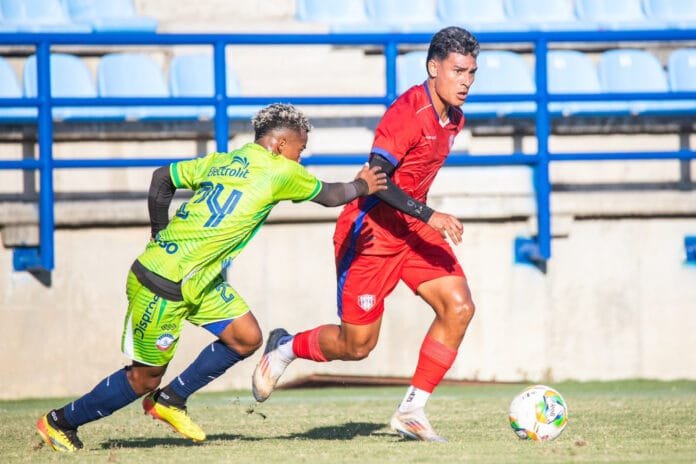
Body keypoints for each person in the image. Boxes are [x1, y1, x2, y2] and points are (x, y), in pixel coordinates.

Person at [35, 103, 387, 452]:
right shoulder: (280, 169)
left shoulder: (223, 160)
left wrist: (159, 233)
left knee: (246, 337)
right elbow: (331, 196)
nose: (300, 157)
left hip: (196, 279)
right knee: (144, 378)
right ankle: (60, 422)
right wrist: (363, 184)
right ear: (281, 144)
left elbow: (162, 177)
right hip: (162, 285)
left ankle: (171, 400)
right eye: (301, 148)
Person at [252, 27, 479, 443]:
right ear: (433, 68)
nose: (466, 81)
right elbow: (376, 179)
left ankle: (411, 411)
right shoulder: (407, 114)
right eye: (457, 71)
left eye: (471, 73)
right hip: (370, 234)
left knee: (459, 307)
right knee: (356, 346)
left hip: (412, 229)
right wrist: (430, 214)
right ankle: (285, 346)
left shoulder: (455, 118)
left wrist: (422, 217)